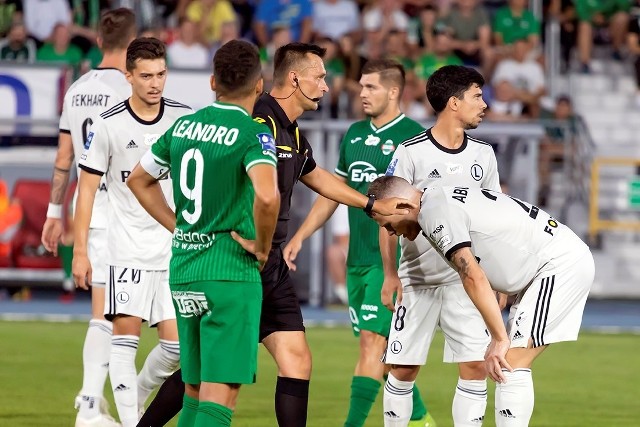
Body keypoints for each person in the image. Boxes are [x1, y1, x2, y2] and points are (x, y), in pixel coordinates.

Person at [137, 42, 414, 427]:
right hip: (241, 259)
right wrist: (248, 241)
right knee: (209, 380)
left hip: (264, 261)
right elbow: (261, 193)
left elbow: (317, 176)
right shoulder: (258, 120)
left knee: (294, 358)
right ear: (296, 78)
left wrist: (370, 205)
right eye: (320, 77)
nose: (326, 85)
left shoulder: (291, 130)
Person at [127, 39, 281, 427]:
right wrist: (262, 248)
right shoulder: (252, 133)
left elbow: (138, 179)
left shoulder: (183, 126)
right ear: (259, 85)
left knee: (194, 389)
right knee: (220, 393)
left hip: (185, 268)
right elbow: (267, 195)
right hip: (229, 270)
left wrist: (177, 225)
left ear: (212, 81)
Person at [367, 176, 595, 427]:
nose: (389, 232)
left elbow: (471, 275)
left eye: (387, 224)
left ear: (403, 206)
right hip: (543, 267)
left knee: (510, 363)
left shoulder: (434, 213)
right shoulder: (436, 199)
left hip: (557, 265)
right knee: (507, 363)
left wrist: (499, 338)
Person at [283, 59, 435, 427]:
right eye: (361, 87)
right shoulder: (353, 135)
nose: (362, 94)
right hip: (357, 261)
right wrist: (300, 237)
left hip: (394, 264)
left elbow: (417, 209)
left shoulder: (413, 138)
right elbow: (332, 193)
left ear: (394, 91)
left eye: (371, 87)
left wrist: (392, 271)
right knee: (380, 352)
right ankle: (422, 419)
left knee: (372, 344)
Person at [72, 37, 192, 427]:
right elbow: (87, 191)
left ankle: (136, 399)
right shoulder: (109, 124)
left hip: (174, 250)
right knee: (125, 341)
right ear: (129, 77)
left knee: (176, 347)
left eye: (160, 74)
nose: (155, 83)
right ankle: (129, 423)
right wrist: (80, 251)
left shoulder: (184, 120)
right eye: (146, 76)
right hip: (126, 251)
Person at [379, 65, 502, 427]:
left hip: (464, 282)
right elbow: (386, 218)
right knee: (402, 368)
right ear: (453, 102)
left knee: (476, 366)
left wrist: (493, 279)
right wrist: (390, 274)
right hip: (417, 279)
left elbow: (491, 221)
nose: (484, 104)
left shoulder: (484, 155)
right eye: (477, 96)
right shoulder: (411, 153)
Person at [40, 8, 137, 427]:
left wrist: (52, 212)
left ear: (99, 42)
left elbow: (64, 158)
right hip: (123, 210)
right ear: (133, 45)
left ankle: (94, 404)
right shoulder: (132, 88)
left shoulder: (77, 88)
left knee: (105, 312)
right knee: (114, 314)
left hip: (89, 205)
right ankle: (91, 406)